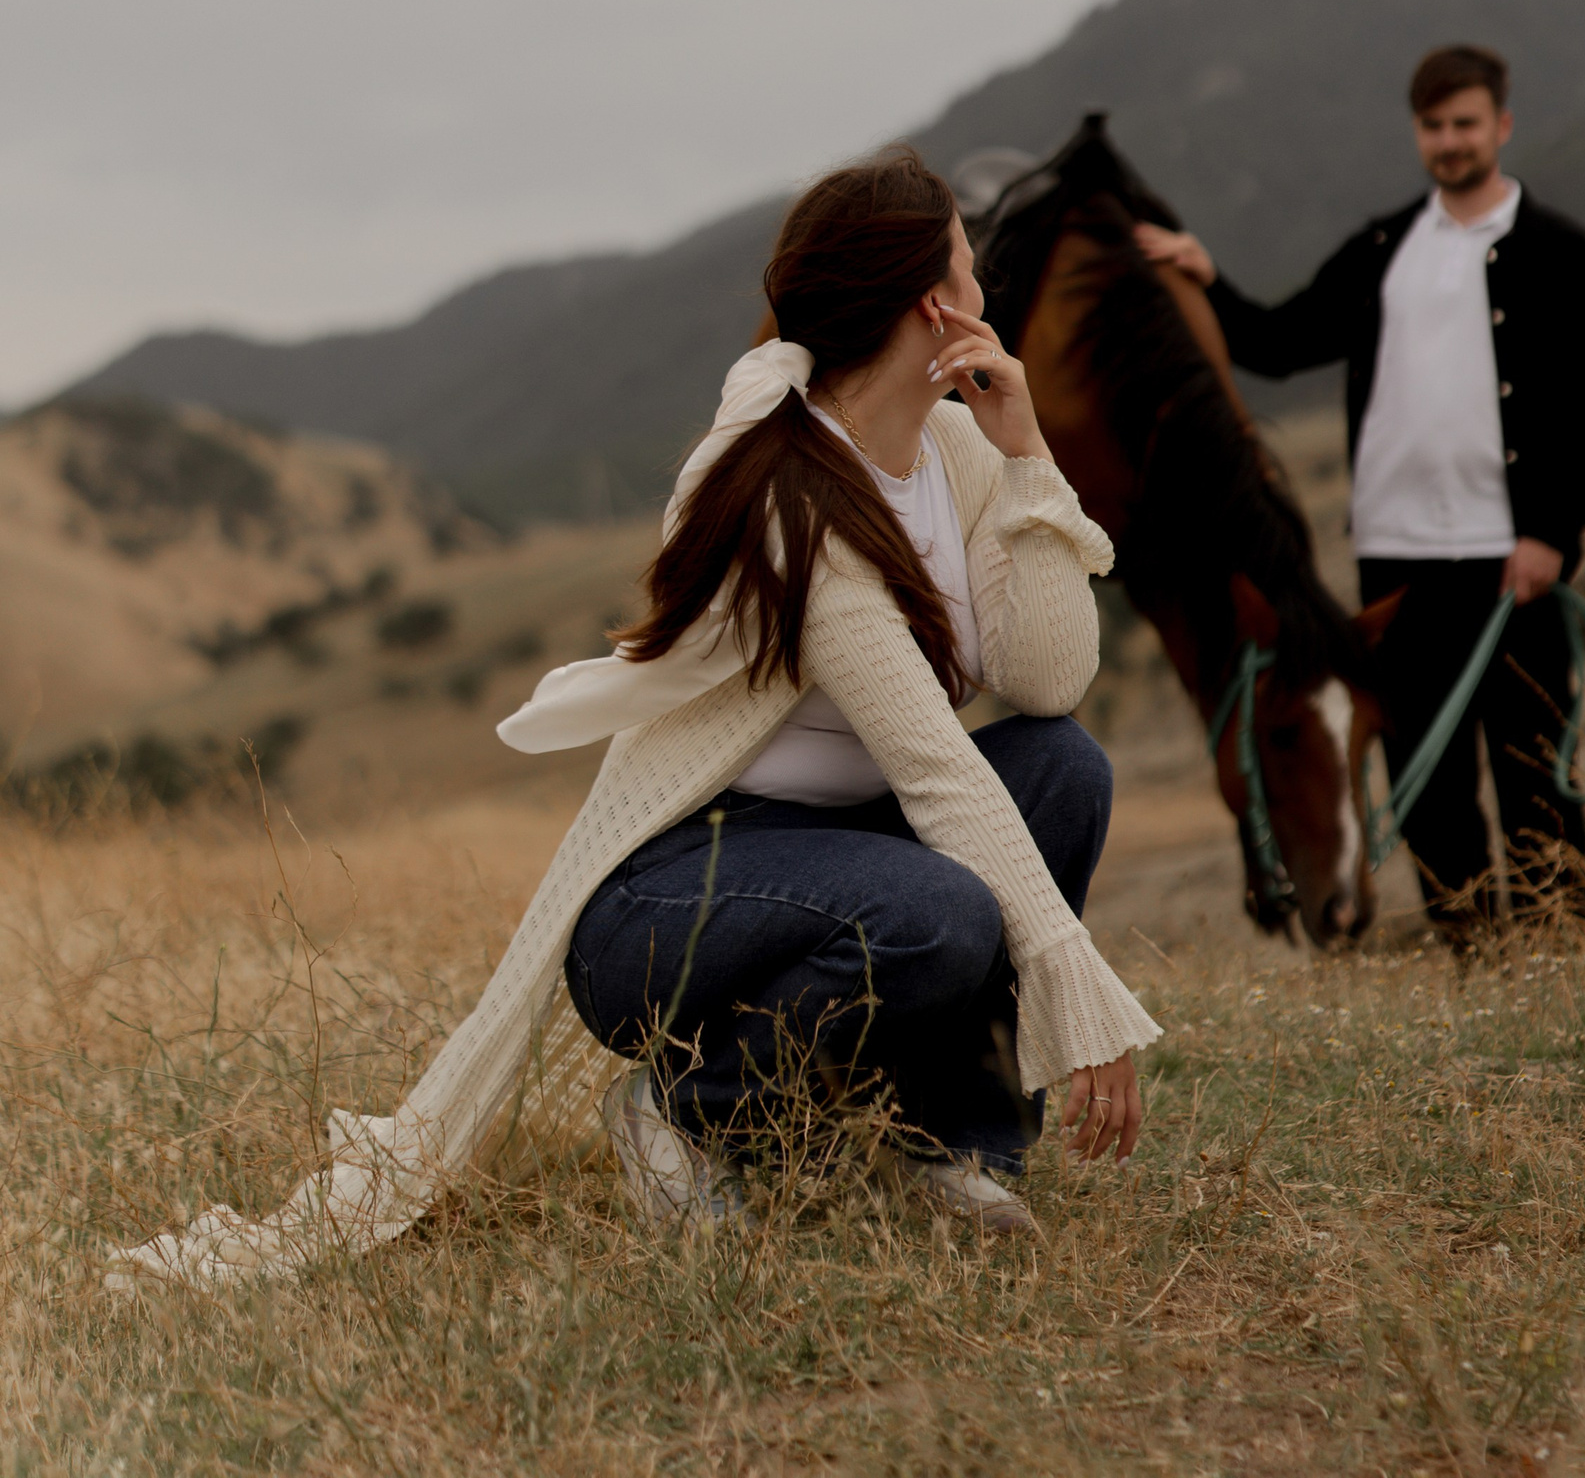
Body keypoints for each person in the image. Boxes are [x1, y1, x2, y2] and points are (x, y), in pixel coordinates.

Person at [114, 150, 1155, 1290]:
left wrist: (1026, 456)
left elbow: (1048, 679)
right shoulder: (795, 499)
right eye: (967, 255)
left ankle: (949, 1142)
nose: (982, 275)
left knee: (1063, 766)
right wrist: (1073, 979)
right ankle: (689, 1110)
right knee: (940, 908)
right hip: (680, 894)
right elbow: (935, 769)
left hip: (852, 854)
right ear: (933, 304)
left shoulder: (956, 450)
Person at [1135, 45, 1585, 943]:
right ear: (1417, 131)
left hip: (1512, 559)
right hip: (1397, 564)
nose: (1450, 140)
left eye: (1465, 123)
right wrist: (1208, 277)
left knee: (1533, 760)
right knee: (1422, 777)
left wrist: (1553, 532)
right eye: (1434, 126)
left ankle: (1560, 951)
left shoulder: (1565, 254)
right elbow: (1279, 339)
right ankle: (1474, 952)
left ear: (1502, 125)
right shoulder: (1383, 248)